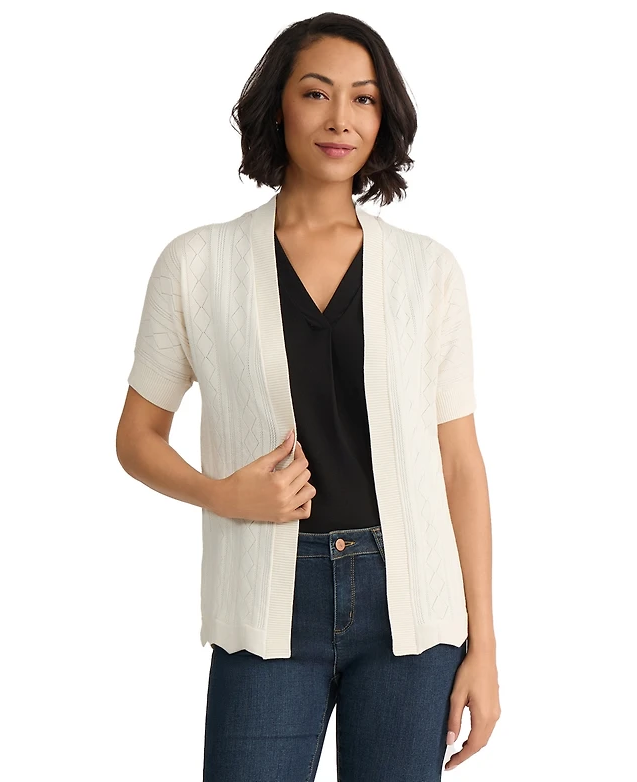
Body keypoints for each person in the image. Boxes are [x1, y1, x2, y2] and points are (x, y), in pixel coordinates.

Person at [116, 11, 500, 781]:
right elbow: (136, 437)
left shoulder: (428, 273)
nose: (340, 119)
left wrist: (483, 648)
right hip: (267, 601)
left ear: (382, 118)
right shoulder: (198, 264)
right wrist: (222, 493)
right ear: (278, 108)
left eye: (363, 99)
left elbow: (459, 463)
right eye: (317, 93)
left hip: (410, 610)